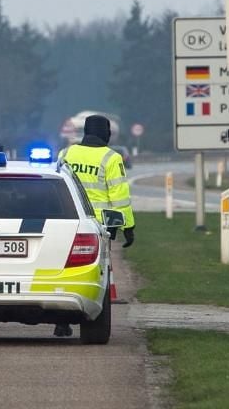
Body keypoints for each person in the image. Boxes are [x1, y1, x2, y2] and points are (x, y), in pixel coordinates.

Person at [55, 114, 136, 336]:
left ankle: (61, 320)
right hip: (99, 225)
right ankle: (93, 317)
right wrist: (127, 226)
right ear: (106, 133)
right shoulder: (111, 158)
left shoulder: (66, 153)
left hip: (68, 220)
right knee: (98, 274)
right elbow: (119, 196)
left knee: (66, 270)